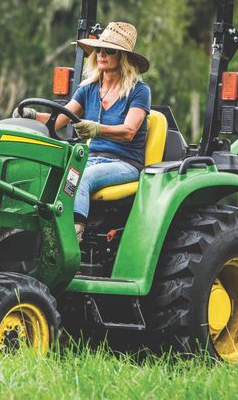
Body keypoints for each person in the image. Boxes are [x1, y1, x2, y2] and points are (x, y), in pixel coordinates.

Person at [15, 21, 151, 242]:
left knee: (80, 177)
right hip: (92, 158)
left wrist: (97, 129)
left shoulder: (139, 91)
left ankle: (72, 237)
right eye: (98, 49)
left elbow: (128, 131)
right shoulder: (88, 88)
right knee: (49, 173)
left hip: (125, 163)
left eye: (109, 51)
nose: (101, 55)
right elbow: (57, 120)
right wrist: (30, 115)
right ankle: (33, 232)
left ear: (123, 58)